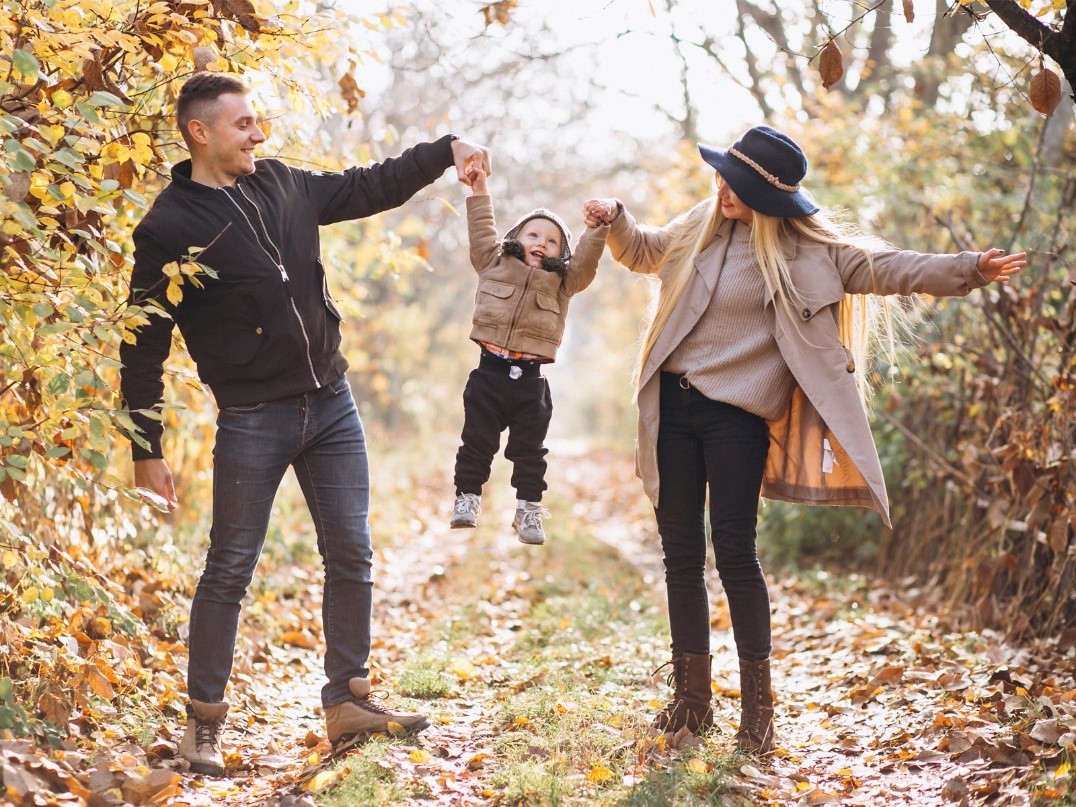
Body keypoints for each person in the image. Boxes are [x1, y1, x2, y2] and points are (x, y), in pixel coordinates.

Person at [584, 125, 1025, 753]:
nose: (722, 190)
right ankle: (691, 704)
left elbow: (891, 268)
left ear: (770, 198)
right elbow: (644, 250)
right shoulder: (701, 225)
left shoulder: (812, 254)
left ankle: (758, 717)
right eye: (722, 177)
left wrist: (968, 270)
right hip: (672, 411)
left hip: (737, 420)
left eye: (734, 184)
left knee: (735, 554)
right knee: (680, 556)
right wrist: (616, 219)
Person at [119, 72, 491, 776]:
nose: (260, 134)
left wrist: (447, 149)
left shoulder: (283, 185)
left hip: (331, 403)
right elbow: (141, 345)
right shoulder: (169, 226)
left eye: (257, 122)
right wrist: (147, 449)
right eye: (244, 124)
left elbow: (368, 185)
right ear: (201, 132)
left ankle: (347, 701)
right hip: (253, 416)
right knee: (229, 567)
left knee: (351, 550)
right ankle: (204, 723)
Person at [449, 165, 609, 544]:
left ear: (560, 253)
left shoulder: (563, 284)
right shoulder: (492, 262)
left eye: (552, 241)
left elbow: (585, 263)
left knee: (530, 452)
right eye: (533, 234)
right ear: (515, 239)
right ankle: (467, 498)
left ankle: (528, 511)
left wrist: (597, 227)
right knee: (477, 442)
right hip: (488, 376)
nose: (541, 242)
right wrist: (479, 189)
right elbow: (481, 228)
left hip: (531, 384)